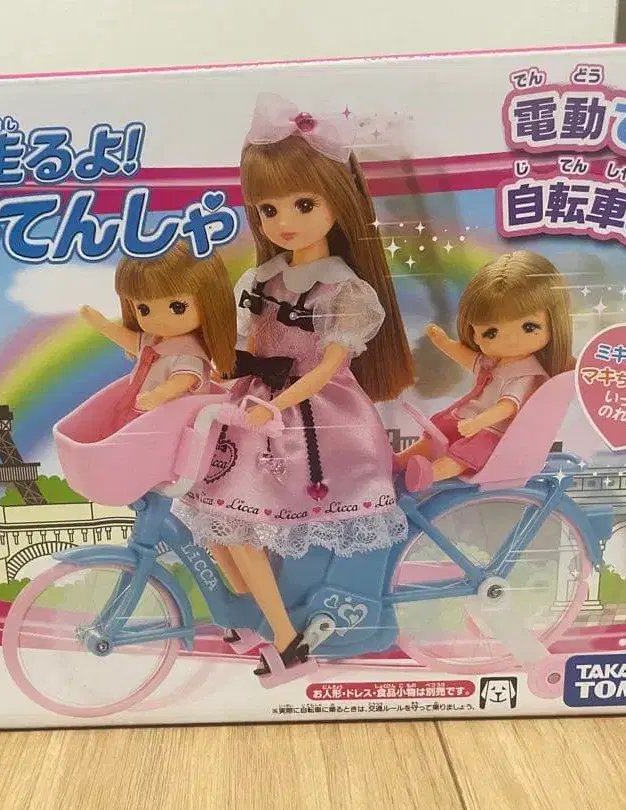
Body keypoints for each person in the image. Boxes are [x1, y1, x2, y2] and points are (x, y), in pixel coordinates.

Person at [174, 92, 415, 677]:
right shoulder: (262, 279)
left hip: (318, 422)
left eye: (303, 204)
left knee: (236, 520)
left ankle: (287, 640)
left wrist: (276, 404)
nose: (283, 222)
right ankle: (255, 616)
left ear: (339, 203)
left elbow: (329, 367)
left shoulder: (344, 290)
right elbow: (248, 349)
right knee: (209, 516)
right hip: (258, 410)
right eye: (267, 209)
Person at [396, 251, 574, 490]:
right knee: (434, 438)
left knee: (462, 456)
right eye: (491, 333)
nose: (510, 341)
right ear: (474, 333)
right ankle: (399, 462)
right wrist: (444, 343)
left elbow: (508, 406)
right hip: (467, 418)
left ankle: (429, 474)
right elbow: (469, 358)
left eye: (529, 327)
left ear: (555, 323)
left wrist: (479, 422)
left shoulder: (527, 374)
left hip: (495, 433)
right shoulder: (493, 362)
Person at [81, 240, 236, 429]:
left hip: (173, 419)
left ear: (208, 301)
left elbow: (185, 379)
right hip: (145, 412)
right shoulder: (155, 339)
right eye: (144, 309)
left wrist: (159, 395)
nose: (158, 320)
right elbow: (132, 342)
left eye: (177, 307)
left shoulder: (188, 352)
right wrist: (103, 324)